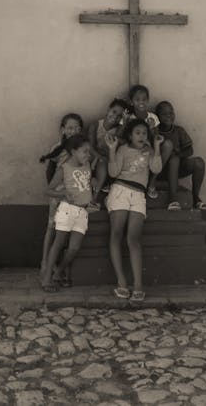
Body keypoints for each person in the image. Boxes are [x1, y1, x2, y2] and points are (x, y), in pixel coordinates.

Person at [105, 118, 163, 303]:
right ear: (130, 135)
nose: (141, 136)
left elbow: (157, 168)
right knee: (116, 233)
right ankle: (121, 281)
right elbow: (113, 173)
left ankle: (138, 284)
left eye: (144, 133)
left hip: (138, 194)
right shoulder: (123, 150)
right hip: (120, 190)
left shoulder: (149, 151)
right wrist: (112, 151)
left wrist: (156, 147)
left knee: (134, 238)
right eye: (137, 133)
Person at [41, 135, 94, 292]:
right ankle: (47, 280)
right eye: (84, 151)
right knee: (58, 243)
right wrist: (63, 194)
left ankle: (58, 272)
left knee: (74, 248)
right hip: (67, 209)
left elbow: (87, 183)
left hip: (83, 211)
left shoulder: (87, 165)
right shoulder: (64, 168)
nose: (88, 154)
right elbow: (48, 190)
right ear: (73, 151)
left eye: (89, 151)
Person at [38, 113, 85, 278]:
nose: (74, 131)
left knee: (69, 230)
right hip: (58, 194)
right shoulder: (57, 148)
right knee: (52, 227)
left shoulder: (82, 149)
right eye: (70, 128)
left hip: (75, 197)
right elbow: (49, 174)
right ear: (63, 130)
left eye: (78, 128)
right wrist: (55, 193)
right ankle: (45, 262)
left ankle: (64, 268)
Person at [154, 101, 206, 211]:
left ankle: (196, 198)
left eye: (171, 113)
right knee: (173, 159)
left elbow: (190, 150)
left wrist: (178, 155)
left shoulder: (178, 131)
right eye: (164, 114)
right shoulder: (154, 132)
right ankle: (173, 199)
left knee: (199, 162)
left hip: (176, 168)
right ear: (157, 117)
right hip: (158, 169)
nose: (169, 116)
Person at [123, 84, 161, 198]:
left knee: (164, 147)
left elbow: (157, 137)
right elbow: (122, 136)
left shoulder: (152, 117)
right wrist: (125, 122)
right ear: (131, 101)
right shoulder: (128, 117)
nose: (141, 102)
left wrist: (151, 128)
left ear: (148, 100)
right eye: (137, 99)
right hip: (134, 147)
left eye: (144, 99)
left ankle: (152, 182)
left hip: (150, 147)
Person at [87, 98, 128, 205]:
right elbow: (90, 147)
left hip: (108, 159)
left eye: (119, 116)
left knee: (105, 163)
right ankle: (93, 195)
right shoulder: (95, 125)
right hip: (94, 157)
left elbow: (118, 142)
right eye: (114, 112)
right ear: (108, 110)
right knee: (101, 162)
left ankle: (95, 198)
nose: (115, 116)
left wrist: (123, 124)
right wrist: (100, 158)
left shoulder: (118, 129)